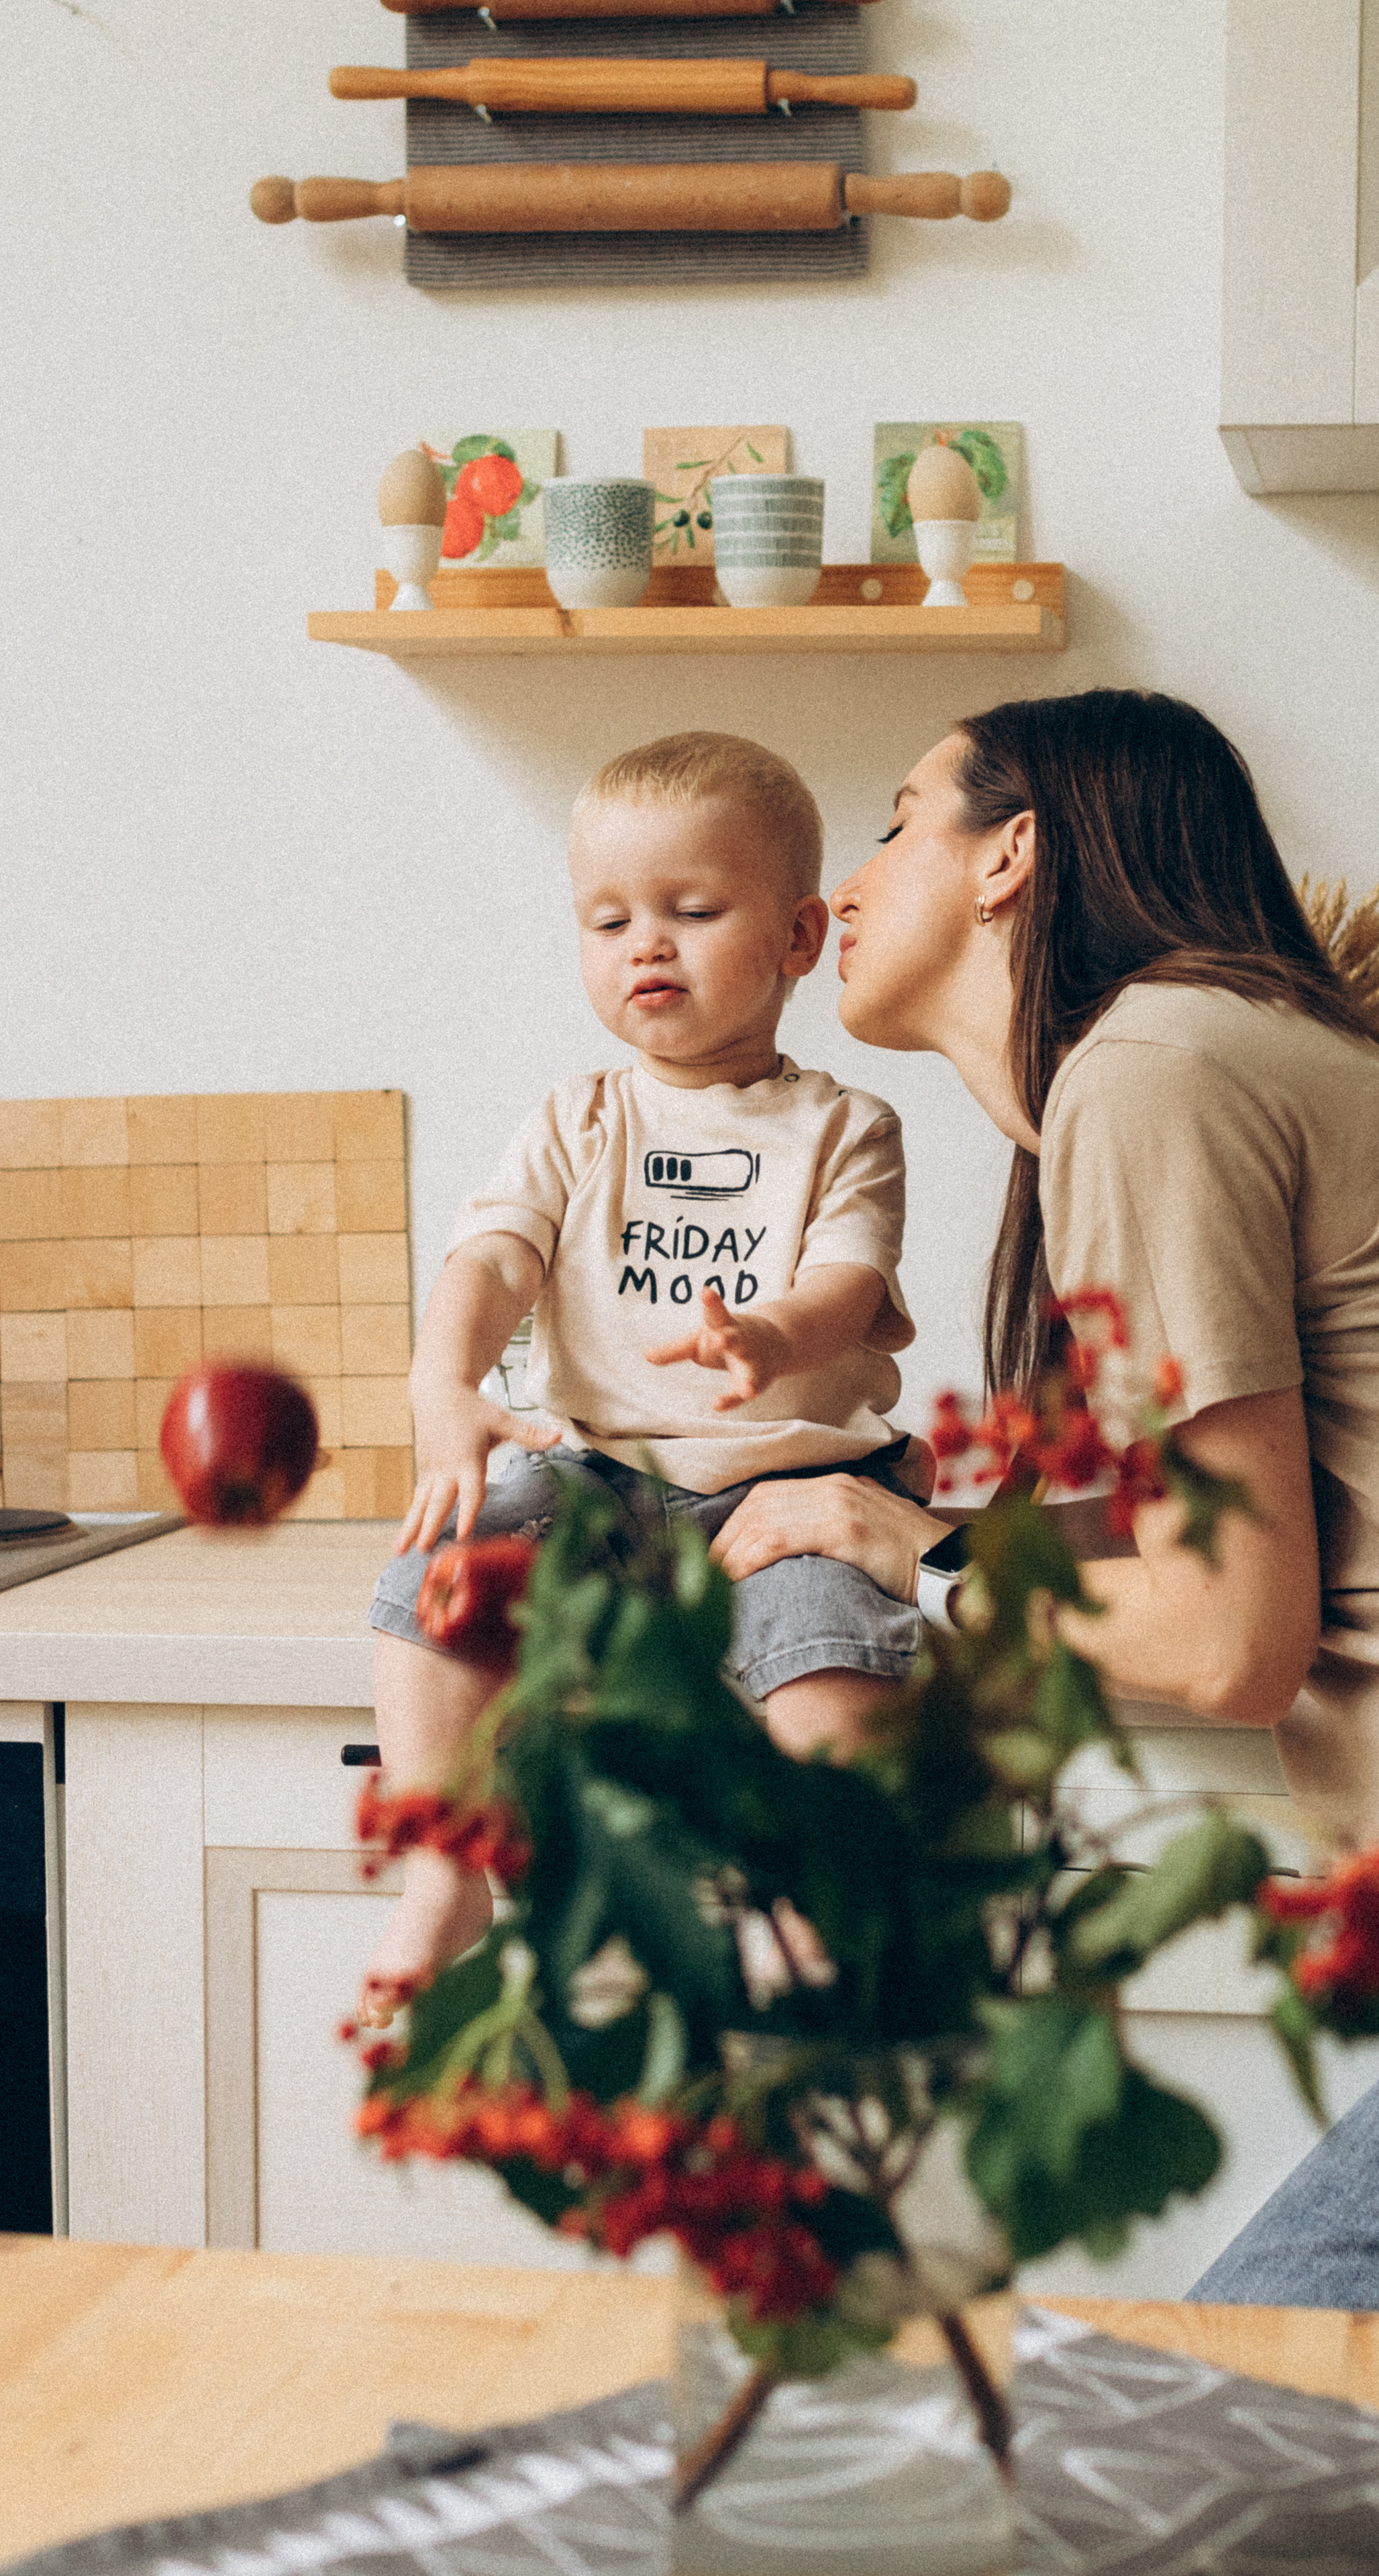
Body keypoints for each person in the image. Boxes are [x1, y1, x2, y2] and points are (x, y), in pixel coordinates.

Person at [704, 686, 1379, 2326]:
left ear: (1007, 858)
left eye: (896, 820)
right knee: (1259, 2412)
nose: (847, 882)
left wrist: (913, 1559)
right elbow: (1199, 1539)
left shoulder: (1151, 1063)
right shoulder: (1169, 1072)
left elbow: (1232, 1636)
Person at [359, 731, 923, 2027]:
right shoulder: (574, 1120)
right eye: (607, 920)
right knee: (434, 1587)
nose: (644, 947)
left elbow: (848, 1277)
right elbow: (491, 1261)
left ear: (794, 938)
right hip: (602, 1480)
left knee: (828, 1655)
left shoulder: (847, 1127)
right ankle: (447, 1873)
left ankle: (797, 1896)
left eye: (690, 910)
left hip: (791, 1495)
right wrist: (440, 1387)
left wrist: (772, 1340)